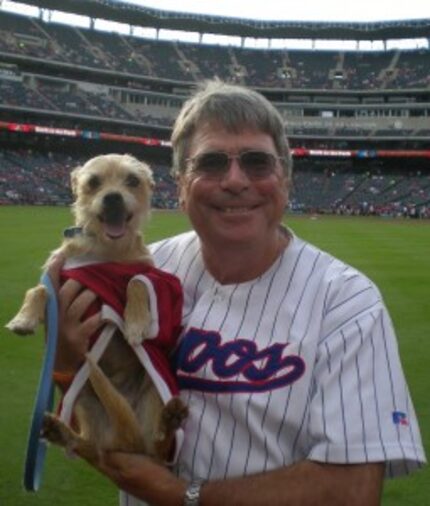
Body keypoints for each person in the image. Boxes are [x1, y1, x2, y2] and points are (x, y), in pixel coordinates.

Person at [52, 80, 426, 506]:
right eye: (210, 163)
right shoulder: (136, 273)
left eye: (257, 162)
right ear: (179, 184)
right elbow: (102, 421)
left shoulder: (348, 303)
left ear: (284, 177)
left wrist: (182, 496)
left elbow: (351, 493)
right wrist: (66, 366)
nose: (234, 180)